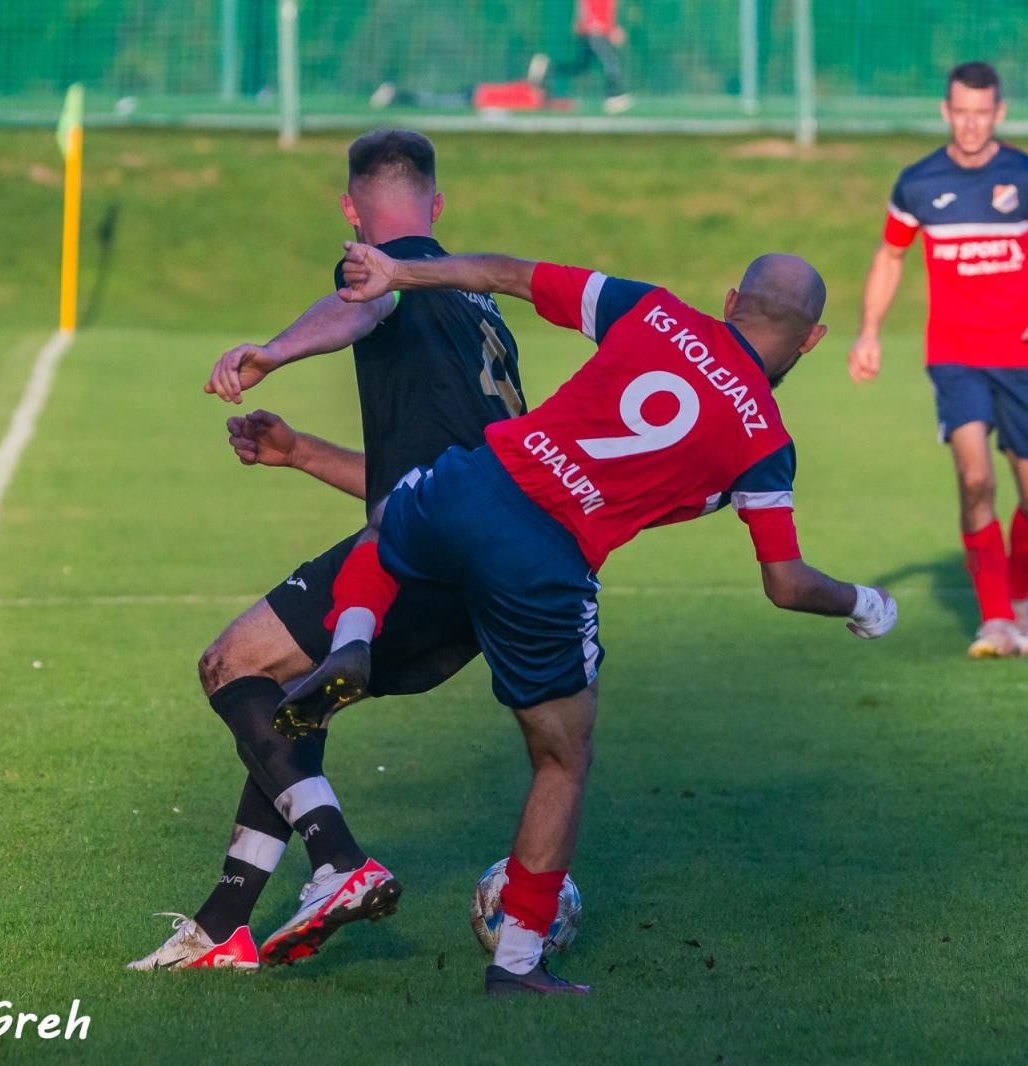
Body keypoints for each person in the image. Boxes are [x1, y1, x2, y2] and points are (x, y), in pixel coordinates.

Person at [283, 244, 899, 995]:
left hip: (483, 476)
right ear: (813, 339)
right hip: (544, 556)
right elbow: (787, 583)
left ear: (733, 298)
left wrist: (401, 273)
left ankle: (352, 641)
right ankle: (518, 965)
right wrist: (865, 602)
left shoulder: (655, 309)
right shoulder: (766, 442)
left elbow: (512, 275)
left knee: (394, 515)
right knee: (563, 760)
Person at [127, 128, 528, 972]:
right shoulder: (479, 308)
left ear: (352, 211)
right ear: (438, 203)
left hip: (416, 555)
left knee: (230, 664)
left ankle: (339, 861)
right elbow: (424, 470)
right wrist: (300, 450)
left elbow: (362, 304)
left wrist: (269, 352)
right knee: (290, 700)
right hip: (490, 566)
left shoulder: (379, 270)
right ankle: (224, 924)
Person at [849, 61, 1028, 660]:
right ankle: (996, 621)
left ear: (999, 113)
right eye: (961, 112)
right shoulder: (919, 183)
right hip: (955, 357)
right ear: (946, 111)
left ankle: (1020, 597)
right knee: (975, 477)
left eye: (983, 113)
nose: (971, 124)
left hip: (1022, 357)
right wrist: (869, 331)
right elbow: (890, 256)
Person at [529, 0, 633, 114]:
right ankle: (614, 98)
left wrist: (612, 28)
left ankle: (548, 67)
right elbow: (589, 6)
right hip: (594, 31)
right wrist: (604, 28)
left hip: (597, 30)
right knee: (611, 61)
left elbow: (606, 10)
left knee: (581, 66)